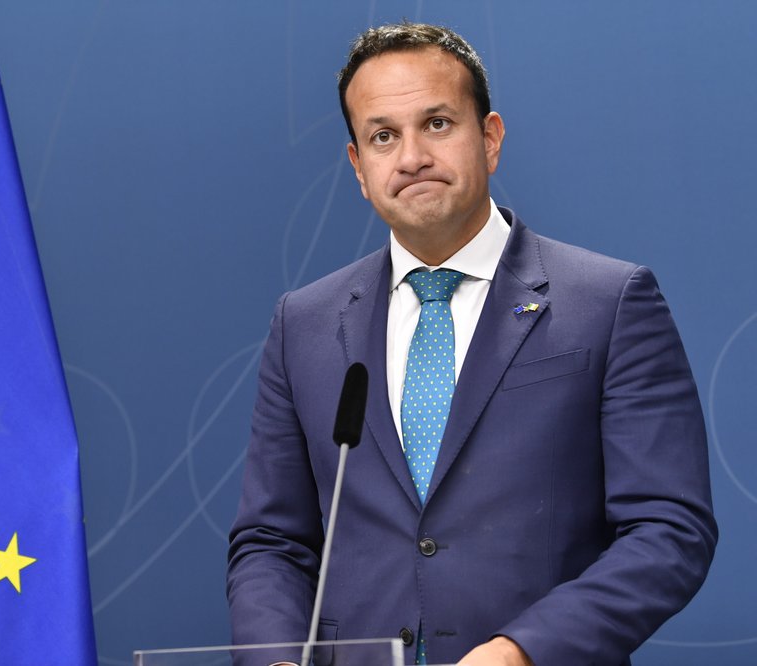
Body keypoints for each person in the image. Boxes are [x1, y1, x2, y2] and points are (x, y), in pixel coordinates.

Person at [226, 22, 717, 666]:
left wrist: (522, 651)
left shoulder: (610, 301)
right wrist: (276, 659)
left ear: (489, 139)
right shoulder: (306, 323)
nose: (411, 158)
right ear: (359, 168)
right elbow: (271, 540)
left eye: (436, 124)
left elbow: (668, 530)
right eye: (382, 136)